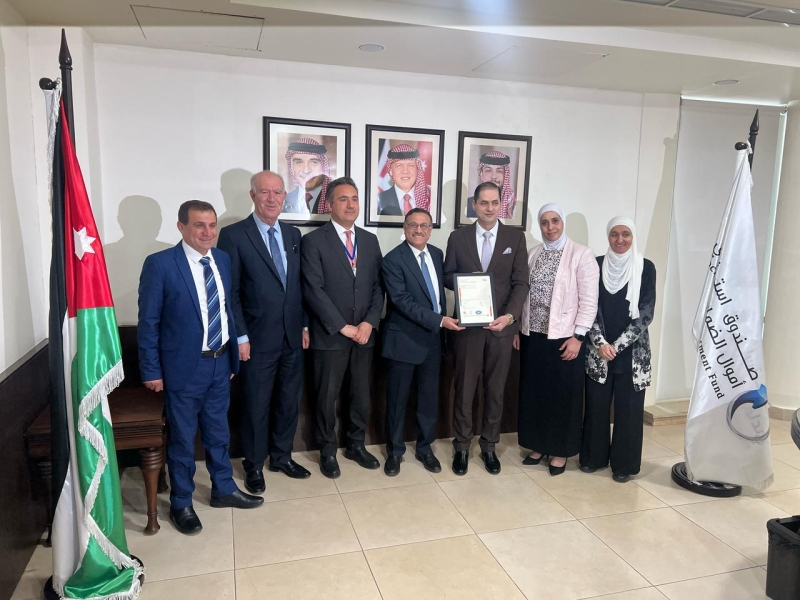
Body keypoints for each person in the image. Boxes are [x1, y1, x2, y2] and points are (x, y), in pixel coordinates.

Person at [138, 200, 263, 536]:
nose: (207, 232)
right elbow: (148, 322)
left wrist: (233, 350)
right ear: (181, 227)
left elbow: (227, 307)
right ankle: (181, 501)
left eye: (211, 225)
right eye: (199, 225)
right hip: (182, 368)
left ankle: (223, 488)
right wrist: (151, 370)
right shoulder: (160, 264)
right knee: (182, 438)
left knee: (218, 432)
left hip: (220, 363)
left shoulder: (222, 259)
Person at [217, 171, 311, 496]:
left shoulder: (293, 234)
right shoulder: (233, 235)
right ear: (253, 195)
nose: (271, 198)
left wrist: (304, 324)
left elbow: (298, 286)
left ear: (285, 196)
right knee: (256, 404)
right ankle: (254, 464)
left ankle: (282, 457)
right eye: (265, 192)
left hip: (291, 336)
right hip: (256, 339)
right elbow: (230, 292)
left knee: (288, 401)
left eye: (277, 192)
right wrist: (240, 336)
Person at [301, 177, 384, 478]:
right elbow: (313, 290)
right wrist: (342, 326)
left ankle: (355, 445)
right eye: (343, 199)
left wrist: (369, 322)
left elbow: (377, 287)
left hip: (364, 334)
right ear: (329, 204)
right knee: (326, 397)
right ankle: (327, 450)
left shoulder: (370, 240)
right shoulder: (313, 241)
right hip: (330, 335)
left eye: (354, 199)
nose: (350, 205)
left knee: (360, 394)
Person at [443, 182, 528, 475]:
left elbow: (521, 283)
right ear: (474, 205)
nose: (489, 208)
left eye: (494, 203)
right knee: (464, 389)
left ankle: (489, 446)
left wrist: (510, 317)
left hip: (500, 328)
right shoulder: (458, 237)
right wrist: (466, 279)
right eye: (483, 203)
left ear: (500, 205)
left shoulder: (515, 238)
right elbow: (446, 275)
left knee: (495, 390)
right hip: (468, 329)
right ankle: (461, 446)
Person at [515, 203, 599, 476]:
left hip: (565, 338)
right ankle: (539, 446)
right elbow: (523, 294)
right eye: (544, 222)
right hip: (533, 336)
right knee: (536, 394)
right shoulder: (533, 253)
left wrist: (578, 336)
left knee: (563, 397)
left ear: (563, 223)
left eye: (555, 221)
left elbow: (589, 301)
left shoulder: (581, 255)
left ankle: (560, 451)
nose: (550, 227)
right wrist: (518, 328)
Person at [381, 208, 465, 476]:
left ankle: (425, 448)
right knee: (397, 401)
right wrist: (440, 320)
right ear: (404, 228)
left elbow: (442, 287)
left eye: (424, 225)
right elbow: (401, 301)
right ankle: (394, 452)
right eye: (413, 225)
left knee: (428, 400)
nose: (419, 230)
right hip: (403, 341)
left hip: (432, 342)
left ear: (430, 230)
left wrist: (472, 281)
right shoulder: (392, 259)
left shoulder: (437, 254)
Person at [581, 216, 656, 483]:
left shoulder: (645, 267)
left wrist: (617, 345)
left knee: (629, 412)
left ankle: (624, 465)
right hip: (598, 352)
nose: (620, 240)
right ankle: (593, 458)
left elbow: (646, 312)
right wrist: (600, 343)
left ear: (633, 236)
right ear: (608, 236)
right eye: (614, 234)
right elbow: (588, 305)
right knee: (596, 408)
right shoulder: (596, 264)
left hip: (633, 355)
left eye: (626, 234)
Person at [377, 143, 431, 216]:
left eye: (410, 165)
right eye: (399, 166)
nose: (405, 171)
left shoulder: (430, 198)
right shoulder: (379, 200)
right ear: (391, 171)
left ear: (417, 169)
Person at [281, 138, 331, 215]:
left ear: (323, 167)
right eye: (298, 162)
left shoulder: (333, 198)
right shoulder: (284, 200)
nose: (306, 170)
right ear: (292, 168)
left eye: (314, 162)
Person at [466, 151, 516, 220]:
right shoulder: (468, 205)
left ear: (505, 175)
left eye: (499, 171)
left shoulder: (513, 205)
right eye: (488, 171)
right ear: (481, 174)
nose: (493, 176)